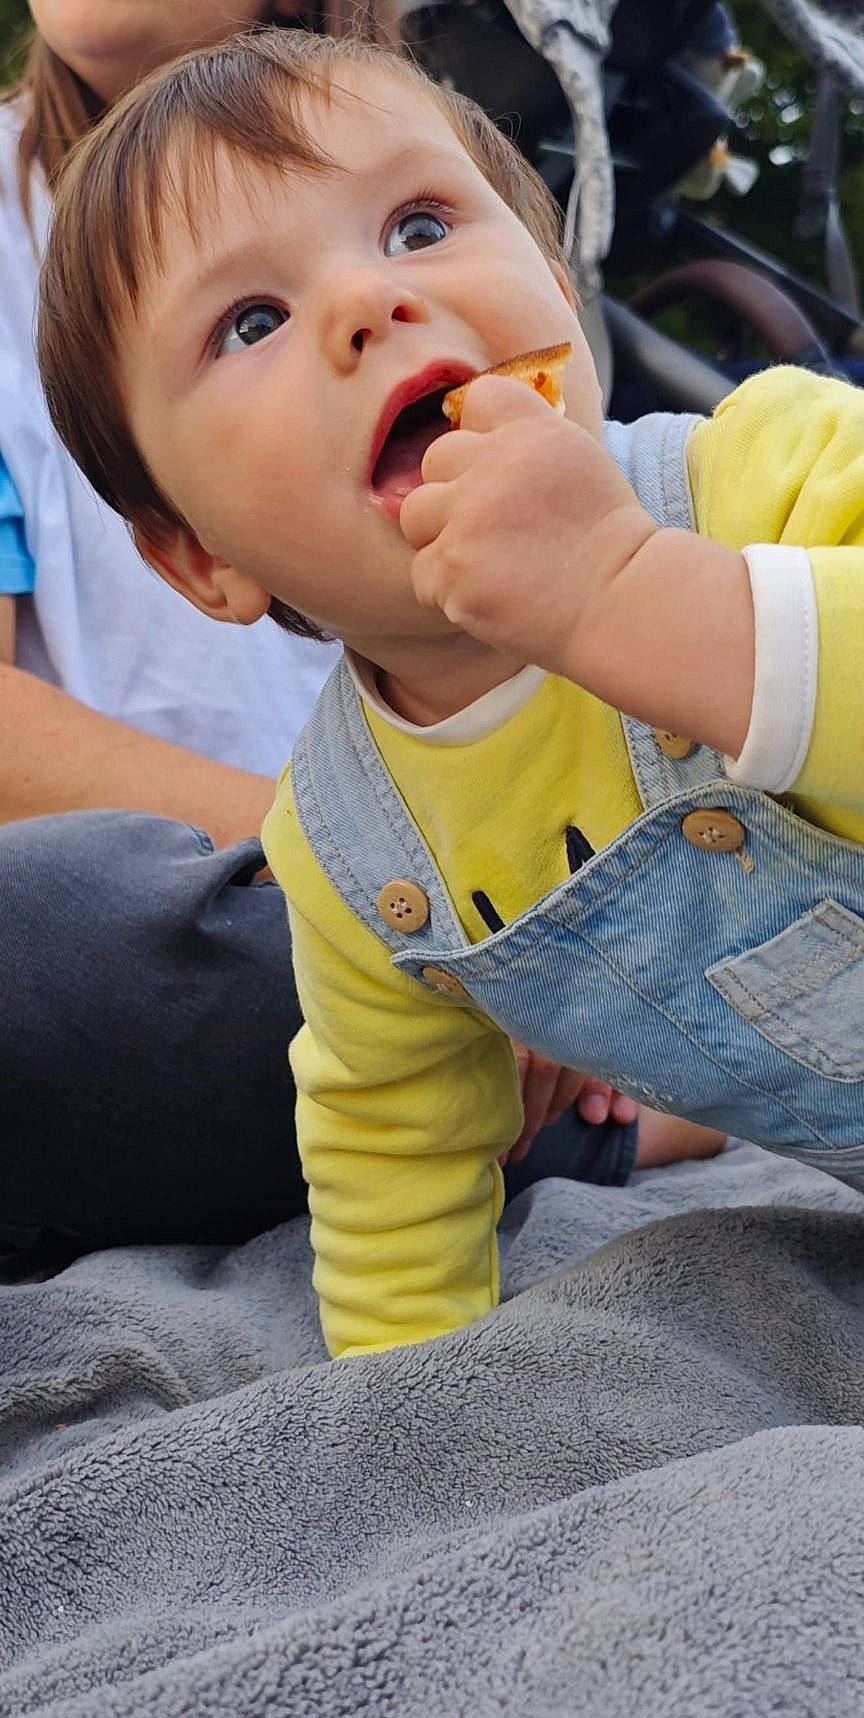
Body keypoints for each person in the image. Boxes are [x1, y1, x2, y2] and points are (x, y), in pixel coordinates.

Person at [39, 29, 769, 1323]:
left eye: (421, 226)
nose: (366, 301)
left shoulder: (767, 472)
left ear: (556, 279)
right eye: (251, 321)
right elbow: (393, 1182)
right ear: (204, 561)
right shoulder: (343, 851)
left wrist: (627, 599)